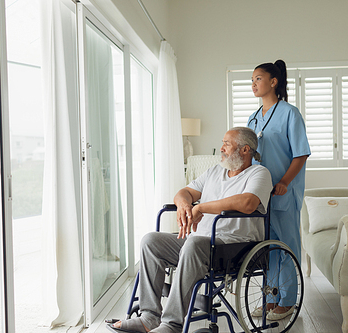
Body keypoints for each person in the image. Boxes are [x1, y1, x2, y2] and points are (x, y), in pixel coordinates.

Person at [109, 127, 272, 333]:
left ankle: (172, 324)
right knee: (150, 241)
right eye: (222, 142)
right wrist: (185, 205)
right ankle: (149, 317)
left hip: (232, 245)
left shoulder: (259, 173)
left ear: (245, 150)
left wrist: (202, 207)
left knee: (194, 243)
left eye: (227, 144)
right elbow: (184, 192)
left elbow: (248, 202)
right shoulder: (215, 171)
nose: (221, 148)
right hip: (198, 243)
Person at [247, 60, 311, 320]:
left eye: (258, 79)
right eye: (251, 80)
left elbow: (301, 154)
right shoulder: (252, 118)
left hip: (283, 193)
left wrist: (284, 181)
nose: (253, 84)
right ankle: (271, 297)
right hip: (261, 193)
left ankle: (288, 301)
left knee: (286, 246)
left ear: (273, 82)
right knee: (268, 248)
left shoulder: (289, 113)